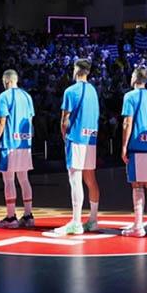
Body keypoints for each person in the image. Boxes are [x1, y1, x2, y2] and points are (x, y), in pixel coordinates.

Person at [54, 59, 101, 235]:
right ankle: (93, 220)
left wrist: (64, 135)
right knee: (91, 179)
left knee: (75, 179)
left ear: (77, 70)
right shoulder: (93, 91)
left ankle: (76, 222)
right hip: (91, 138)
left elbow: (64, 119)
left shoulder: (70, 91)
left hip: (76, 138)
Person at [119, 67, 147, 237]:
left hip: (136, 145)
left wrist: (124, 146)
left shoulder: (129, 96)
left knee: (137, 184)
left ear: (135, 78)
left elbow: (127, 123)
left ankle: (138, 226)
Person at [0, 69, 35, 229]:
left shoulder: (4, 96)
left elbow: (1, 122)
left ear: (7, 81)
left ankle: (11, 218)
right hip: (24, 143)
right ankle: (28, 216)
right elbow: (30, 121)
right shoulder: (27, 96)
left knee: (9, 180)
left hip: (9, 144)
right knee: (24, 179)